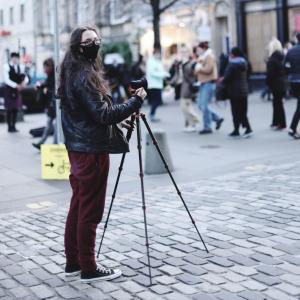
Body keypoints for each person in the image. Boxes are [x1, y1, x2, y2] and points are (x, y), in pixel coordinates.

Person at [59, 26, 147, 283]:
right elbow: (103, 114)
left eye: (97, 39)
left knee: (78, 206)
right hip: (91, 152)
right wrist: (135, 102)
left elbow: (89, 115)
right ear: (78, 47)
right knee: (90, 210)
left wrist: (117, 124)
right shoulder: (84, 75)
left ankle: (73, 262)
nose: (95, 43)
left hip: (80, 148)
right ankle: (89, 267)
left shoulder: (72, 72)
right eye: (89, 41)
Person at [222, 47, 253, 138]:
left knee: (235, 111)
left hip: (234, 91)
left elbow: (227, 78)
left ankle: (237, 130)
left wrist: (222, 81)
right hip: (244, 90)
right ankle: (247, 128)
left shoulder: (231, 65)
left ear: (233, 54)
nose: (229, 55)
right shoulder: (245, 63)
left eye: (231, 53)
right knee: (243, 111)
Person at [195, 41, 223, 134]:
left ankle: (207, 127)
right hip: (203, 83)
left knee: (204, 106)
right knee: (200, 105)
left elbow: (208, 69)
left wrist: (199, 69)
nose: (197, 51)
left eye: (199, 49)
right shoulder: (202, 57)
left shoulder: (209, 56)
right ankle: (217, 118)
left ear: (203, 48)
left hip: (208, 83)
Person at [32, 58, 56, 150]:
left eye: (45, 67)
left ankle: (54, 143)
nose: (44, 69)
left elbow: (51, 86)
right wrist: (40, 86)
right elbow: (45, 84)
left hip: (56, 104)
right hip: (52, 104)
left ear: (50, 66)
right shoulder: (50, 75)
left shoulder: (55, 75)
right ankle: (42, 142)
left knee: (55, 124)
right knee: (49, 123)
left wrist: (45, 88)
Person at [3, 52, 28, 132]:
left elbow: (25, 76)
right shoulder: (6, 66)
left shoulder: (20, 66)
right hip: (9, 90)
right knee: (9, 109)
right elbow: (6, 79)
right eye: (14, 58)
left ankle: (13, 126)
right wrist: (16, 86)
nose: (15, 60)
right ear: (11, 58)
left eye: (17, 58)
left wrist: (24, 83)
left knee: (15, 109)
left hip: (18, 90)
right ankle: (9, 127)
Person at [266, 38, 286, 130]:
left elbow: (270, 74)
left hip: (275, 84)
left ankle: (281, 123)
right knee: (277, 103)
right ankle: (276, 122)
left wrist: (268, 82)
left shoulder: (272, 60)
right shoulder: (282, 58)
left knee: (277, 104)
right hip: (282, 83)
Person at [146, 46, 169, 122]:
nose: (159, 55)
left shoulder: (158, 61)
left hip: (158, 84)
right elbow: (152, 73)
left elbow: (160, 70)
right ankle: (151, 114)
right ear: (154, 53)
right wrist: (163, 74)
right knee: (157, 100)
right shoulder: (151, 61)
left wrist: (165, 73)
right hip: (153, 84)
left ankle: (152, 114)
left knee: (156, 100)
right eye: (158, 54)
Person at [180, 47, 200, 132]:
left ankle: (195, 121)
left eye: (185, 52)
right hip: (185, 86)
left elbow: (190, 76)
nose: (183, 54)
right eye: (182, 52)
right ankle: (189, 125)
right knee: (187, 106)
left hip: (187, 88)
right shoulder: (184, 63)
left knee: (185, 107)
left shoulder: (189, 64)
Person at [284, 32, 300, 139]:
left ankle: (292, 128)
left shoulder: (291, 50)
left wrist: (291, 73)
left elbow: (285, 65)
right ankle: (292, 128)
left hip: (294, 81)